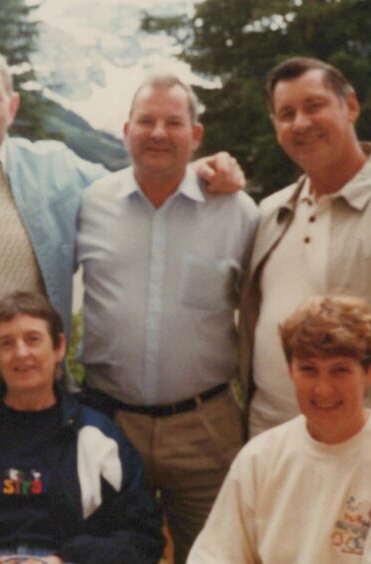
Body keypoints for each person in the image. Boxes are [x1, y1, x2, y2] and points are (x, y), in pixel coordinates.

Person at [0, 46, 247, 429]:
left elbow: (135, 185)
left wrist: (197, 172)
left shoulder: (56, 169)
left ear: (13, 105)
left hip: (33, 383)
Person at [76, 73, 259, 562]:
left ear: (195, 135)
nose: (158, 132)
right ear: (125, 130)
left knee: (216, 553)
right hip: (109, 420)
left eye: (173, 122)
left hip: (205, 426)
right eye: (146, 121)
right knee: (106, 554)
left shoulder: (238, 212)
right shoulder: (91, 204)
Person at [0, 292, 165, 564]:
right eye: (7, 343)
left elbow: (143, 537)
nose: (21, 352)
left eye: (33, 339)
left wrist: (66, 560)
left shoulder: (98, 436)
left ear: (59, 347)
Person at [240, 57, 371, 437]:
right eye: (287, 113)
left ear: (350, 106)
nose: (301, 123)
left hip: (360, 447)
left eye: (314, 106)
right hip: (269, 438)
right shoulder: (270, 212)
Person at [190, 295, 371, 563]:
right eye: (308, 369)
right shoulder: (260, 457)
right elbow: (215, 555)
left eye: (340, 370)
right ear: (290, 371)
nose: (323, 389)